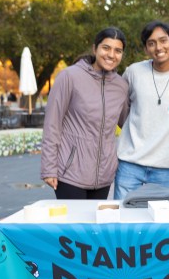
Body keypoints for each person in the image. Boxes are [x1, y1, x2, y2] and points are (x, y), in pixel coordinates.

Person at [41, 26, 130, 200]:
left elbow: (128, 123)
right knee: (73, 227)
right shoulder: (69, 76)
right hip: (70, 173)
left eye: (117, 50)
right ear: (95, 48)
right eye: (106, 48)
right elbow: (52, 123)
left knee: (95, 227)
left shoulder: (121, 86)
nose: (111, 55)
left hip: (104, 175)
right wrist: (49, 167)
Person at [114, 21, 169, 200]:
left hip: (165, 167)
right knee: (122, 219)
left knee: (160, 223)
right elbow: (120, 107)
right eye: (151, 43)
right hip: (130, 163)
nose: (158, 47)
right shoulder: (133, 72)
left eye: (163, 40)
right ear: (146, 49)